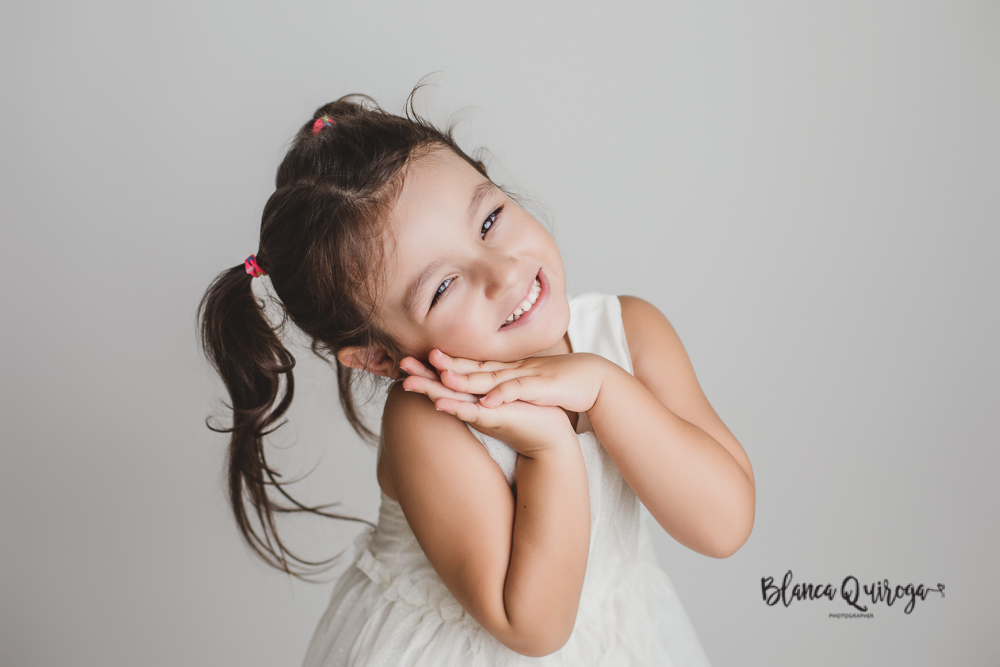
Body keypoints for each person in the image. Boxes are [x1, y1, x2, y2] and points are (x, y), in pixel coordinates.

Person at [198, 91, 755, 666]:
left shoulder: (628, 333)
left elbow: (724, 525)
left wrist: (605, 388)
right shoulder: (428, 420)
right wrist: (546, 447)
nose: (502, 271)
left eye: (489, 220)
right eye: (442, 287)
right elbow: (532, 627)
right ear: (377, 359)